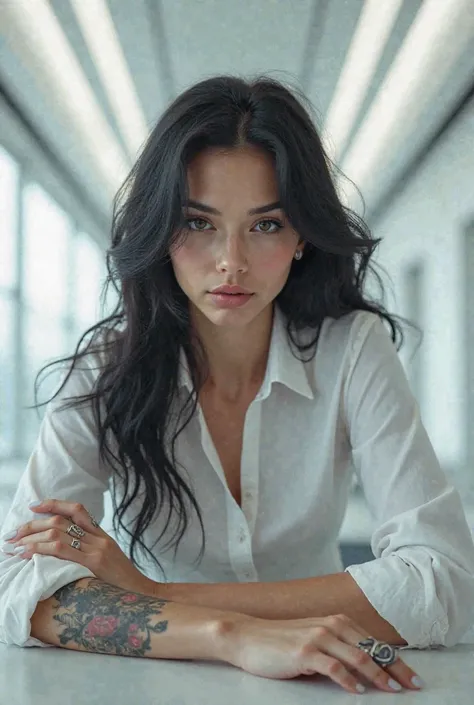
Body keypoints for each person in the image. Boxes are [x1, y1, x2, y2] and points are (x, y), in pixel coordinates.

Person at [1, 75, 473, 695]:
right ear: (161, 233)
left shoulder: (352, 348)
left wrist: (155, 594)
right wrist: (230, 633)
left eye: (267, 225)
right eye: (198, 224)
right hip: (149, 683)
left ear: (303, 235)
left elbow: (444, 580)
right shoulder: (100, 370)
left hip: (324, 678)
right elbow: (21, 590)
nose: (231, 261)